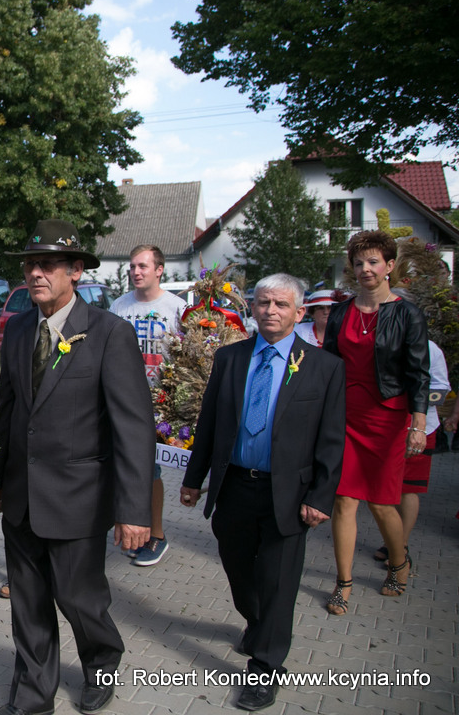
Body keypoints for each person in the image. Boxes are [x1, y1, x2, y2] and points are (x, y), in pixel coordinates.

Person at [0, 220, 152, 715]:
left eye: (48, 265)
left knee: (80, 600)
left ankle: (102, 660)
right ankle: (33, 697)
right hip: (22, 496)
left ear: (76, 271)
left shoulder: (109, 333)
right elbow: (8, 411)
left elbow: (133, 429)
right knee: (28, 603)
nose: (36, 273)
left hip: (79, 497)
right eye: (29, 265)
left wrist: (134, 510)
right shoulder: (19, 329)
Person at [180, 274, 344, 712]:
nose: (271, 311)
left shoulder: (324, 366)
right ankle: (258, 621)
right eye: (264, 302)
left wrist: (321, 497)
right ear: (253, 308)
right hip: (235, 485)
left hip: (289, 493)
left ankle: (266, 667)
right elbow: (210, 422)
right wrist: (193, 479)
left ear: (299, 312)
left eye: (281, 304)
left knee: (278, 581)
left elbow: (332, 439)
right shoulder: (230, 358)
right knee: (239, 572)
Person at [321, 230, 429, 615]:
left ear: (389, 266)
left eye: (373, 262)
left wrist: (418, 424)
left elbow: (419, 373)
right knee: (344, 499)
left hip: (387, 417)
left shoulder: (407, 314)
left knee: (382, 503)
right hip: (345, 415)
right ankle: (343, 583)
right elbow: (327, 366)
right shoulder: (340, 313)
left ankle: (399, 563)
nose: (365, 268)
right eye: (359, 262)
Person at [109, 244, 188, 567]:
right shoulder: (119, 306)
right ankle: (131, 529)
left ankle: (156, 535)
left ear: (159, 270)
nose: (136, 272)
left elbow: (190, 359)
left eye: (142, 266)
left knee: (149, 470)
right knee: (123, 467)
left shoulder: (177, 309)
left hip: (160, 404)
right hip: (123, 399)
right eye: (132, 266)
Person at [375, 338, 448, 565]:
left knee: (408, 489)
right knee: (385, 488)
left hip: (419, 428)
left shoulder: (430, 349)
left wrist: (410, 393)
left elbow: (441, 391)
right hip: (386, 425)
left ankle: (401, 545)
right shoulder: (383, 342)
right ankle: (391, 540)